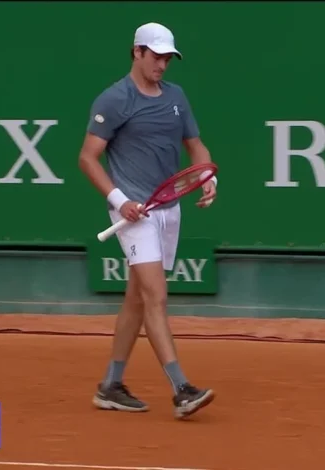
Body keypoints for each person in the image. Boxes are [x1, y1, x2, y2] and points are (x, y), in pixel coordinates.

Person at [77, 22, 217, 419]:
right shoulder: (114, 100)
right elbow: (87, 158)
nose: (162, 65)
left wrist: (208, 177)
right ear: (136, 52)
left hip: (168, 209)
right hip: (133, 213)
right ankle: (182, 389)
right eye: (156, 56)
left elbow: (196, 146)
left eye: (167, 58)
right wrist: (120, 201)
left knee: (137, 299)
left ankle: (110, 385)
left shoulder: (176, 97)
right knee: (156, 296)